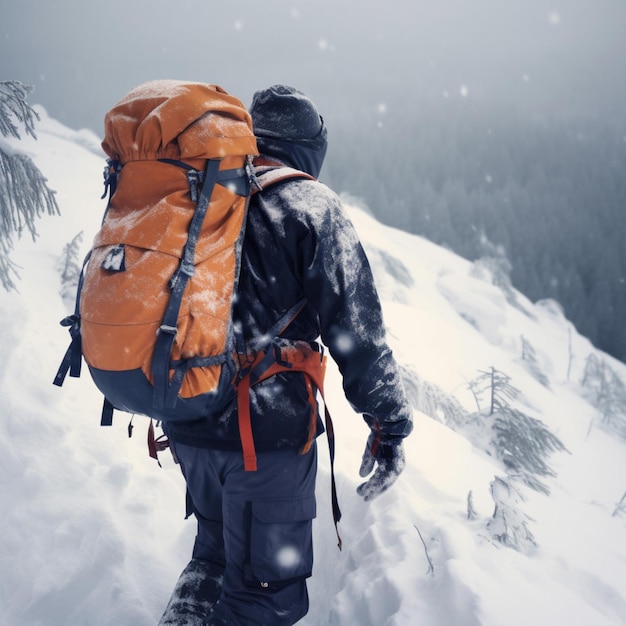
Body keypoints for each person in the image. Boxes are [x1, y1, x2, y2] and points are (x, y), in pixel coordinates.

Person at [158, 85, 413, 625]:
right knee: (262, 600)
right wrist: (390, 424)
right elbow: (357, 334)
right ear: (308, 150)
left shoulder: (201, 192)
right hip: (264, 437)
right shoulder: (309, 205)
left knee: (218, 549)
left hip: (187, 417)